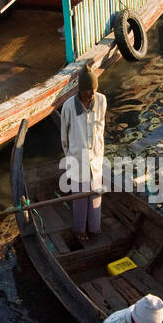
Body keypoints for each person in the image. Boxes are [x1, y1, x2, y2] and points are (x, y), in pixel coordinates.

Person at [59, 65, 106, 241]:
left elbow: (101, 129)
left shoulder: (101, 101)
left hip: (96, 160)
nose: (92, 95)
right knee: (79, 198)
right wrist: (70, 156)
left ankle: (94, 228)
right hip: (77, 160)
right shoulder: (69, 107)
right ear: (81, 90)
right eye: (88, 91)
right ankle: (80, 230)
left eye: (94, 90)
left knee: (95, 195)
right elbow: (64, 137)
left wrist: (99, 153)